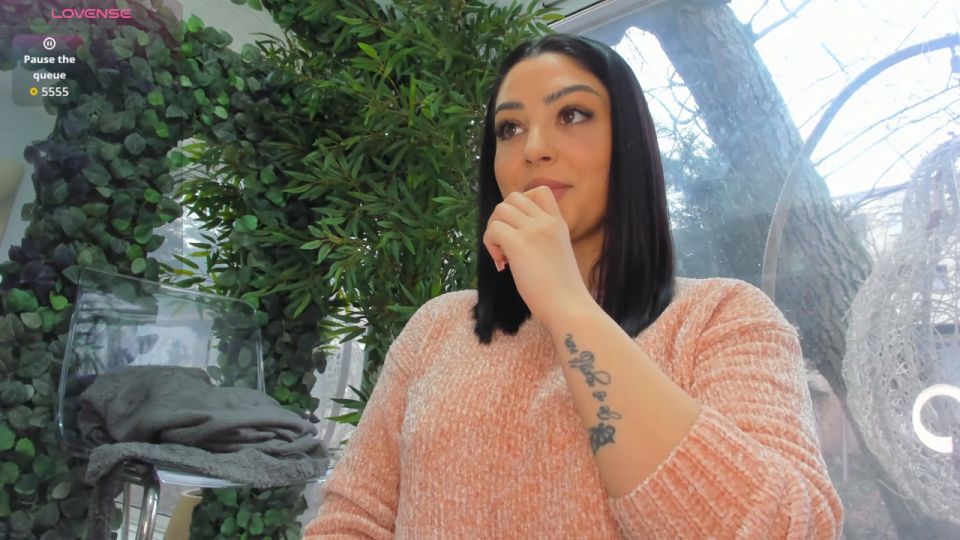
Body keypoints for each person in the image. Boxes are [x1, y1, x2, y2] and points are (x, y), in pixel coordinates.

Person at [304, 33, 843, 539]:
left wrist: (567, 305)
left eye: (572, 114)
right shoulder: (436, 327)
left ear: (629, 144)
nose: (534, 147)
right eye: (509, 128)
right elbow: (353, 521)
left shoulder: (722, 317)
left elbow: (784, 526)